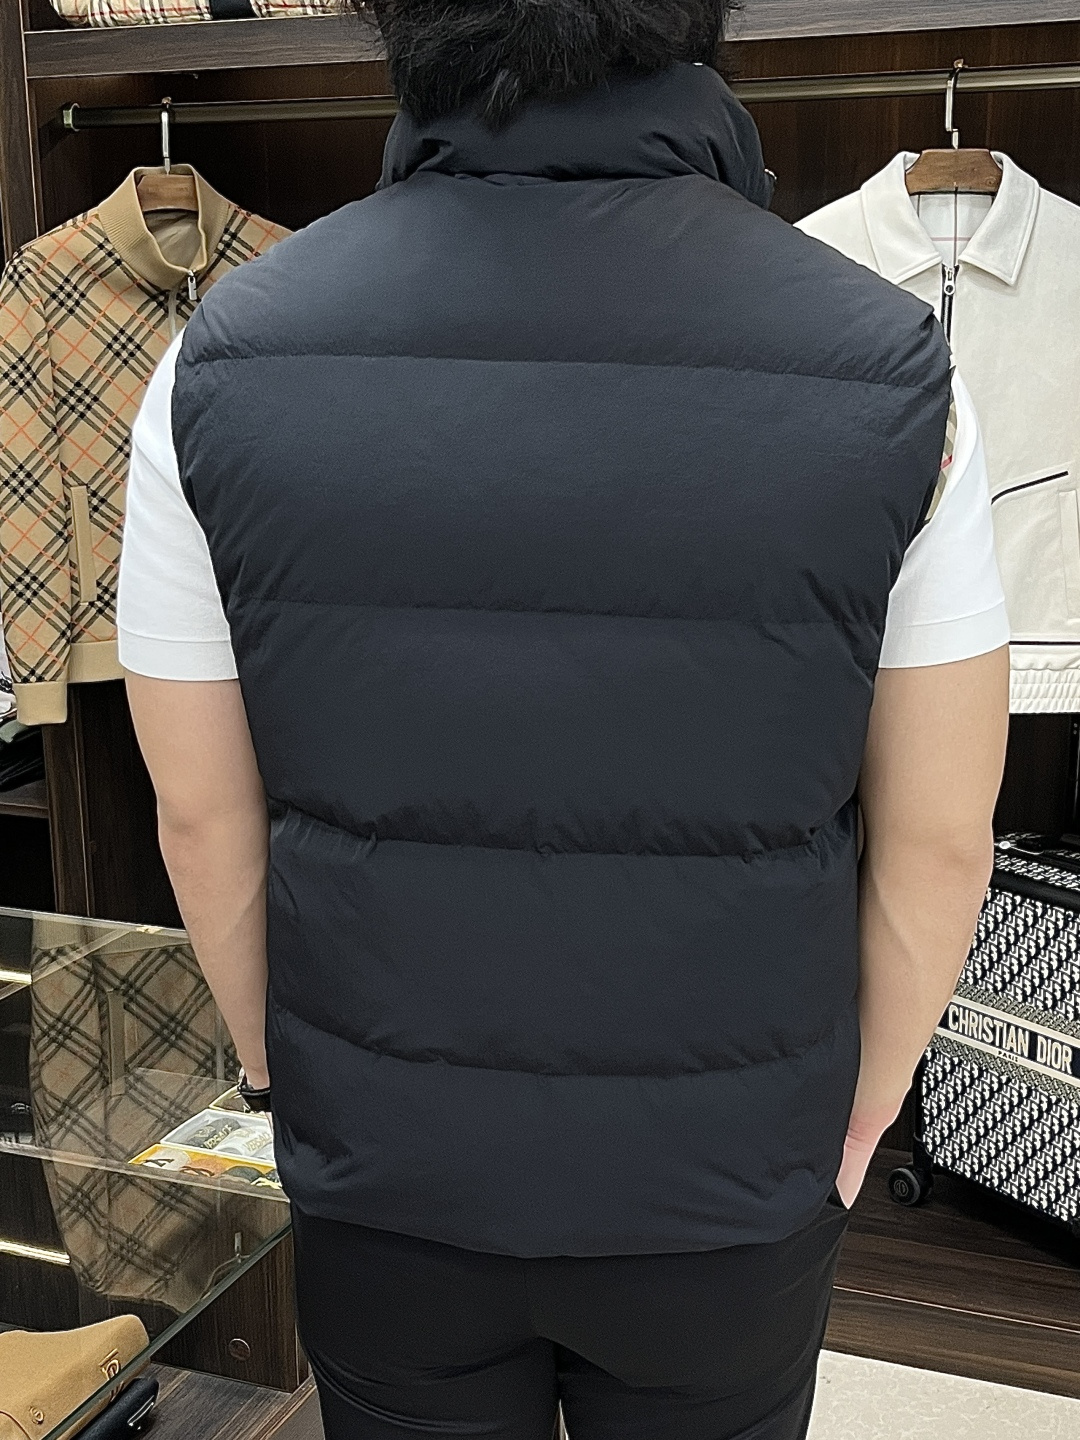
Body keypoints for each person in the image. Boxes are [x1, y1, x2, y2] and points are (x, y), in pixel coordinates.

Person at [117, 3, 1010, 1436]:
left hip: (390, 1175)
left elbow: (200, 816)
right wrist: (859, 1116)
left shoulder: (217, 363)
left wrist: (287, 1083)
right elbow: (944, 839)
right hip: (729, 1180)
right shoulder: (896, 368)